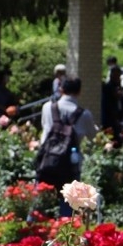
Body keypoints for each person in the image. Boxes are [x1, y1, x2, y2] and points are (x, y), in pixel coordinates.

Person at [36, 77, 97, 213]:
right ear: (79, 91)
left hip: (47, 160)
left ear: (61, 89)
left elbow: (45, 127)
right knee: (68, 203)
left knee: (40, 201)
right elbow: (92, 135)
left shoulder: (47, 108)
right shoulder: (84, 114)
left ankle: (34, 227)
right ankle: (66, 230)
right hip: (70, 163)